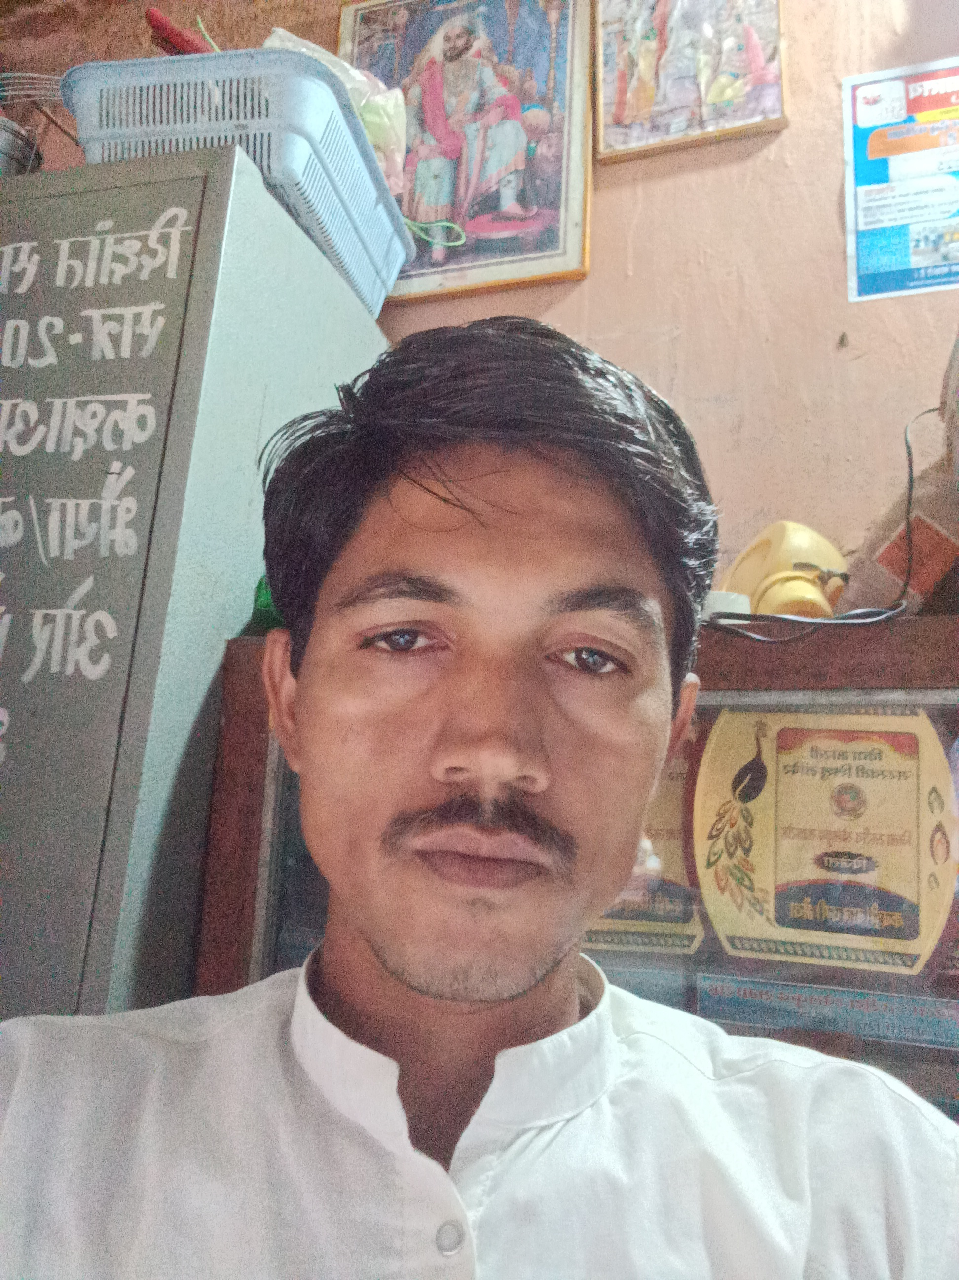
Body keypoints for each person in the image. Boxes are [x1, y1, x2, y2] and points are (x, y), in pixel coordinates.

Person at [1, 318, 957, 1278]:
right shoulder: (37, 1134)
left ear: (674, 735)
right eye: (404, 638)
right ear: (289, 703)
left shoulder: (877, 1188)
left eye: (590, 657)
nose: (494, 750)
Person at [403, 19, 534, 263]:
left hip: (473, 134)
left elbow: (497, 93)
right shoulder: (428, 77)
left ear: (470, 40)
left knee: (511, 129)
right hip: (439, 135)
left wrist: (498, 110)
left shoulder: (479, 68)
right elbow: (410, 113)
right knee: (437, 163)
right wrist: (418, 142)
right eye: (447, 39)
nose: (452, 44)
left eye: (459, 37)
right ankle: (438, 238)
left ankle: (508, 202)